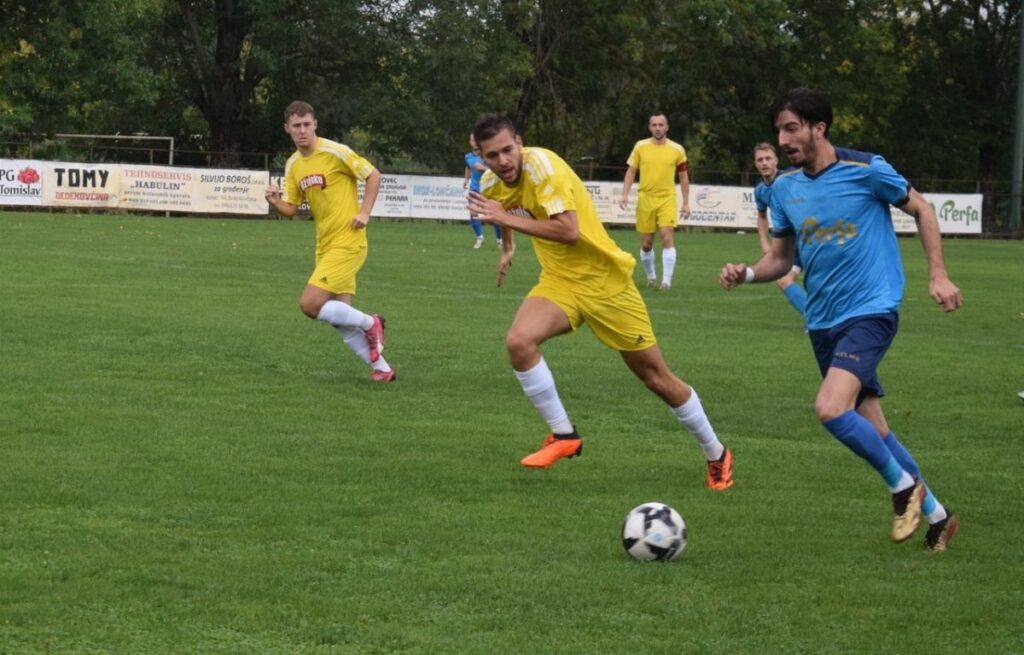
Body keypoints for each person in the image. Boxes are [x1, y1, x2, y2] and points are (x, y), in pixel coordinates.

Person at [719, 88, 963, 550]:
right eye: (778, 130)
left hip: (871, 311)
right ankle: (938, 517)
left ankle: (903, 489)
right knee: (875, 428)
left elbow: (923, 209)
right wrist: (747, 273)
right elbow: (781, 259)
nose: (783, 138)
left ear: (818, 128)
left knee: (831, 408)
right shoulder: (784, 189)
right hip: (822, 322)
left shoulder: (866, 169)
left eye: (792, 128)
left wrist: (939, 274)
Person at [467, 113, 733, 489]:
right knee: (519, 342)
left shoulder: (545, 168)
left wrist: (507, 224)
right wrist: (507, 249)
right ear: (482, 156)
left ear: (520, 142)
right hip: (559, 282)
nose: (503, 161)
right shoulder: (493, 182)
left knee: (656, 378)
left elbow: (569, 231)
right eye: (492, 155)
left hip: (606, 284)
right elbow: (502, 210)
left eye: (508, 150)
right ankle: (564, 435)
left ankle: (716, 453)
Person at [265, 100, 395, 382]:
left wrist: (364, 212)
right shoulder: (293, 164)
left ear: (315, 125)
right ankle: (383, 370)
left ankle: (372, 323)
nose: (302, 131)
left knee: (310, 305)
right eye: (296, 126)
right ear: (287, 128)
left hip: (348, 241)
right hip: (324, 245)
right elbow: (291, 210)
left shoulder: (335, 152)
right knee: (339, 318)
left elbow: (373, 175)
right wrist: (274, 201)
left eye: (307, 125)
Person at [618, 112, 690, 290]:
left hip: (667, 198)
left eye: (661, 125)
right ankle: (651, 277)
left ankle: (666, 280)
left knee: (667, 236)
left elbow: (683, 176)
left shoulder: (677, 150)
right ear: (650, 127)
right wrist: (625, 194)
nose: (658, 128)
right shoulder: (640, 147)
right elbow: (631, 171)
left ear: (667, 127)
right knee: (646, 243)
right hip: (645, 199)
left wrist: (686, 202)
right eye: (654, 125)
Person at [752, 142, 807, 320]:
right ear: (756, 164)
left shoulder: (792, 178)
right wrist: (763, 241)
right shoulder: (760, 189)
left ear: (776, 161)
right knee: (784, 280)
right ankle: (816, 320)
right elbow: (761, 216)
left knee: (816, 282)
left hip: (809, 237)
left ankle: (818, 321)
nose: (764, 163)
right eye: (760, 160)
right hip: (790, 243)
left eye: (768, 158)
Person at [463, 134, 503, 249]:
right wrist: (466, 179)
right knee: (473, 212)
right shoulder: (468, 157)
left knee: (494, 215)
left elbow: (495, 167)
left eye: (476, 140)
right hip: (475, 188)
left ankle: (499, 239)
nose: (474, 142)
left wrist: (487, 168)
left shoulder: (488, 155)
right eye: (472, 140)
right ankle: (480, 238)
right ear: (470, 142)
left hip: (490, 188)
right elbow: (469, 167)